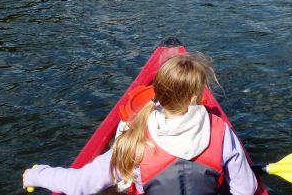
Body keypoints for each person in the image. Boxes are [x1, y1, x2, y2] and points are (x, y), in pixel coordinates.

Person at [22, 52, 258, 195]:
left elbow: (81, 185)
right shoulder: (221, 132)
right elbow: (246, 190)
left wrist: (37, 174)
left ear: (158, 93)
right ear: (196, 97)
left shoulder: (135, 140)